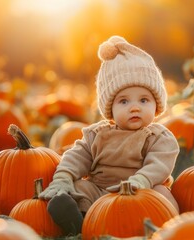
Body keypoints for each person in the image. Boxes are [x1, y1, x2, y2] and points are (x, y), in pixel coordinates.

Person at [39, 35, 180, 236]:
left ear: (156, 105)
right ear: (110, 109)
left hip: (142, 192)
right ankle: (79, 224)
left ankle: (166, 229)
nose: (134, 108)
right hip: (102, 193)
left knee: (162, 193)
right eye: (124, 101)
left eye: (143, 100)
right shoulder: (98, 134)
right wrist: (64, 177)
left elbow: (159, 165)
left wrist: (140, 181)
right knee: (79, 188)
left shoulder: (158, 136)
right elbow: (77, 155)